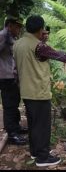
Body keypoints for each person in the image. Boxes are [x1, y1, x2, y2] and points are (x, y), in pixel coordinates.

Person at [13, 15, 66, 167]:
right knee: (42, 126)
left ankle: (36, 152)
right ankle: (43, 158)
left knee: (34, 124)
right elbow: (63, 56)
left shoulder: (18, 44)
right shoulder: (39, 46)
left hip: (26, 91)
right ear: (40, 29)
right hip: (39, 92)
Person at [0, 16, 28, 145]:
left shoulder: (11, 37)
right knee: (9, 105)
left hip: (13, 77)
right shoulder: (2, 35)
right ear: (10, 25)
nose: (19, 29)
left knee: (15, 103)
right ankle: (12, 134)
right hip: (6, 77)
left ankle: (16, 128)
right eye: (17, 27)